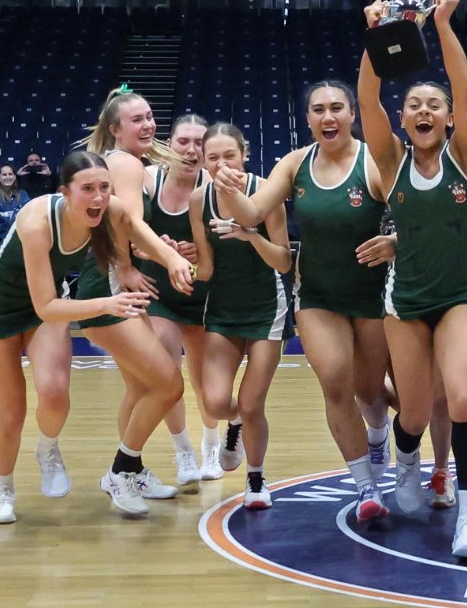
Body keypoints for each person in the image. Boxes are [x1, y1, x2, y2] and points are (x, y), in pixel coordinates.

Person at [211, 83, 394, 521]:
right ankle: (366, 487)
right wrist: (228, 185)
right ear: (307, 118)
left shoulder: (373, 162)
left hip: (371, 296)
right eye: (318, 110)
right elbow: (252, 214)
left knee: (369, 391)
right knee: (335, 381)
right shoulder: (295, 164)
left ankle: (380, 429)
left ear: (353, 114)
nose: (328, 117)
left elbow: (417, 213)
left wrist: (396, 240)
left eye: (336, 108)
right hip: (317, 296)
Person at [357, 0, 467, 561]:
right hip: (404, 300)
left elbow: (462, 86)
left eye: (433, 105)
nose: (424, 111)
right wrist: (376, 36)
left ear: (450, 119)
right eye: (414, 105)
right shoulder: (391, 163)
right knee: (412, 412)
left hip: (458, 296)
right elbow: (367, 98)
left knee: (461, 399)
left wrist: (441, 25)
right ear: (404, 120)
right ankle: (406, 462)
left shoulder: (465, 157)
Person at [0, 152, 154, 523]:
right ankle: (2, 487)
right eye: (88, 188)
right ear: (65, 192)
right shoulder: (38, 221)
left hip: (49, 304)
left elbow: (140, 235)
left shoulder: (103, 210)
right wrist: (109, 302)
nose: (100, 196)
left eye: (105, 187)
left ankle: (48, 448)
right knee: (12, 412)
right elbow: (45, 307)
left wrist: (178, 259)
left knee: (54, 395)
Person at [76, 87, 197, 515]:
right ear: (114, 130)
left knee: (139, 387)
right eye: (136, 120)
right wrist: (126, 266)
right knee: (168, 383)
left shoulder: (127, 163)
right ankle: (120, 470)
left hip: (111, 280)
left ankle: (134, 470)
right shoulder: (124, 162)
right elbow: (118, 218)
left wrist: (148, 249)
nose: (147, 125)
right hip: (109, 285)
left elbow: (128, 224)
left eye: (149, 117)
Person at [190, 123, 292, 509]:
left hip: (267, 307)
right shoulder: (199, 200)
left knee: (252, 405)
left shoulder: (267, 192)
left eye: (228, 155)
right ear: (203, 161)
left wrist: (250, 234)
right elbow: (207, 268)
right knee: (216, 404)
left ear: (244, 155)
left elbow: (283, 261)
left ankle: (255, 479)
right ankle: (233, 425)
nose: (221, 164)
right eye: (212, 157)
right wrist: (170, 259)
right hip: (223, 307)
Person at [136, 114, 223, 482]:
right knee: (167, 374)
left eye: (200, 143)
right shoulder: (147, 180)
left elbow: (228, 248)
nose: (191, 150)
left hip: (203, 293)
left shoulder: (216, 186)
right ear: (168, 144)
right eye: (183, 141)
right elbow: (130, 237)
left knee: (206, 381)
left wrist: (200, 253)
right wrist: (160, 251)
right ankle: (183, 452)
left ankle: (211, 445)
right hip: (160, 295)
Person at [0, 164, 30, 247]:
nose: (8, 177)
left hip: (19, 239)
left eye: (10, 174)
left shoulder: (23, 195)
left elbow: (27, 216)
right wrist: (14, 217)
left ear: (15, 177)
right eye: (4, 174)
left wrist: (5, 215)